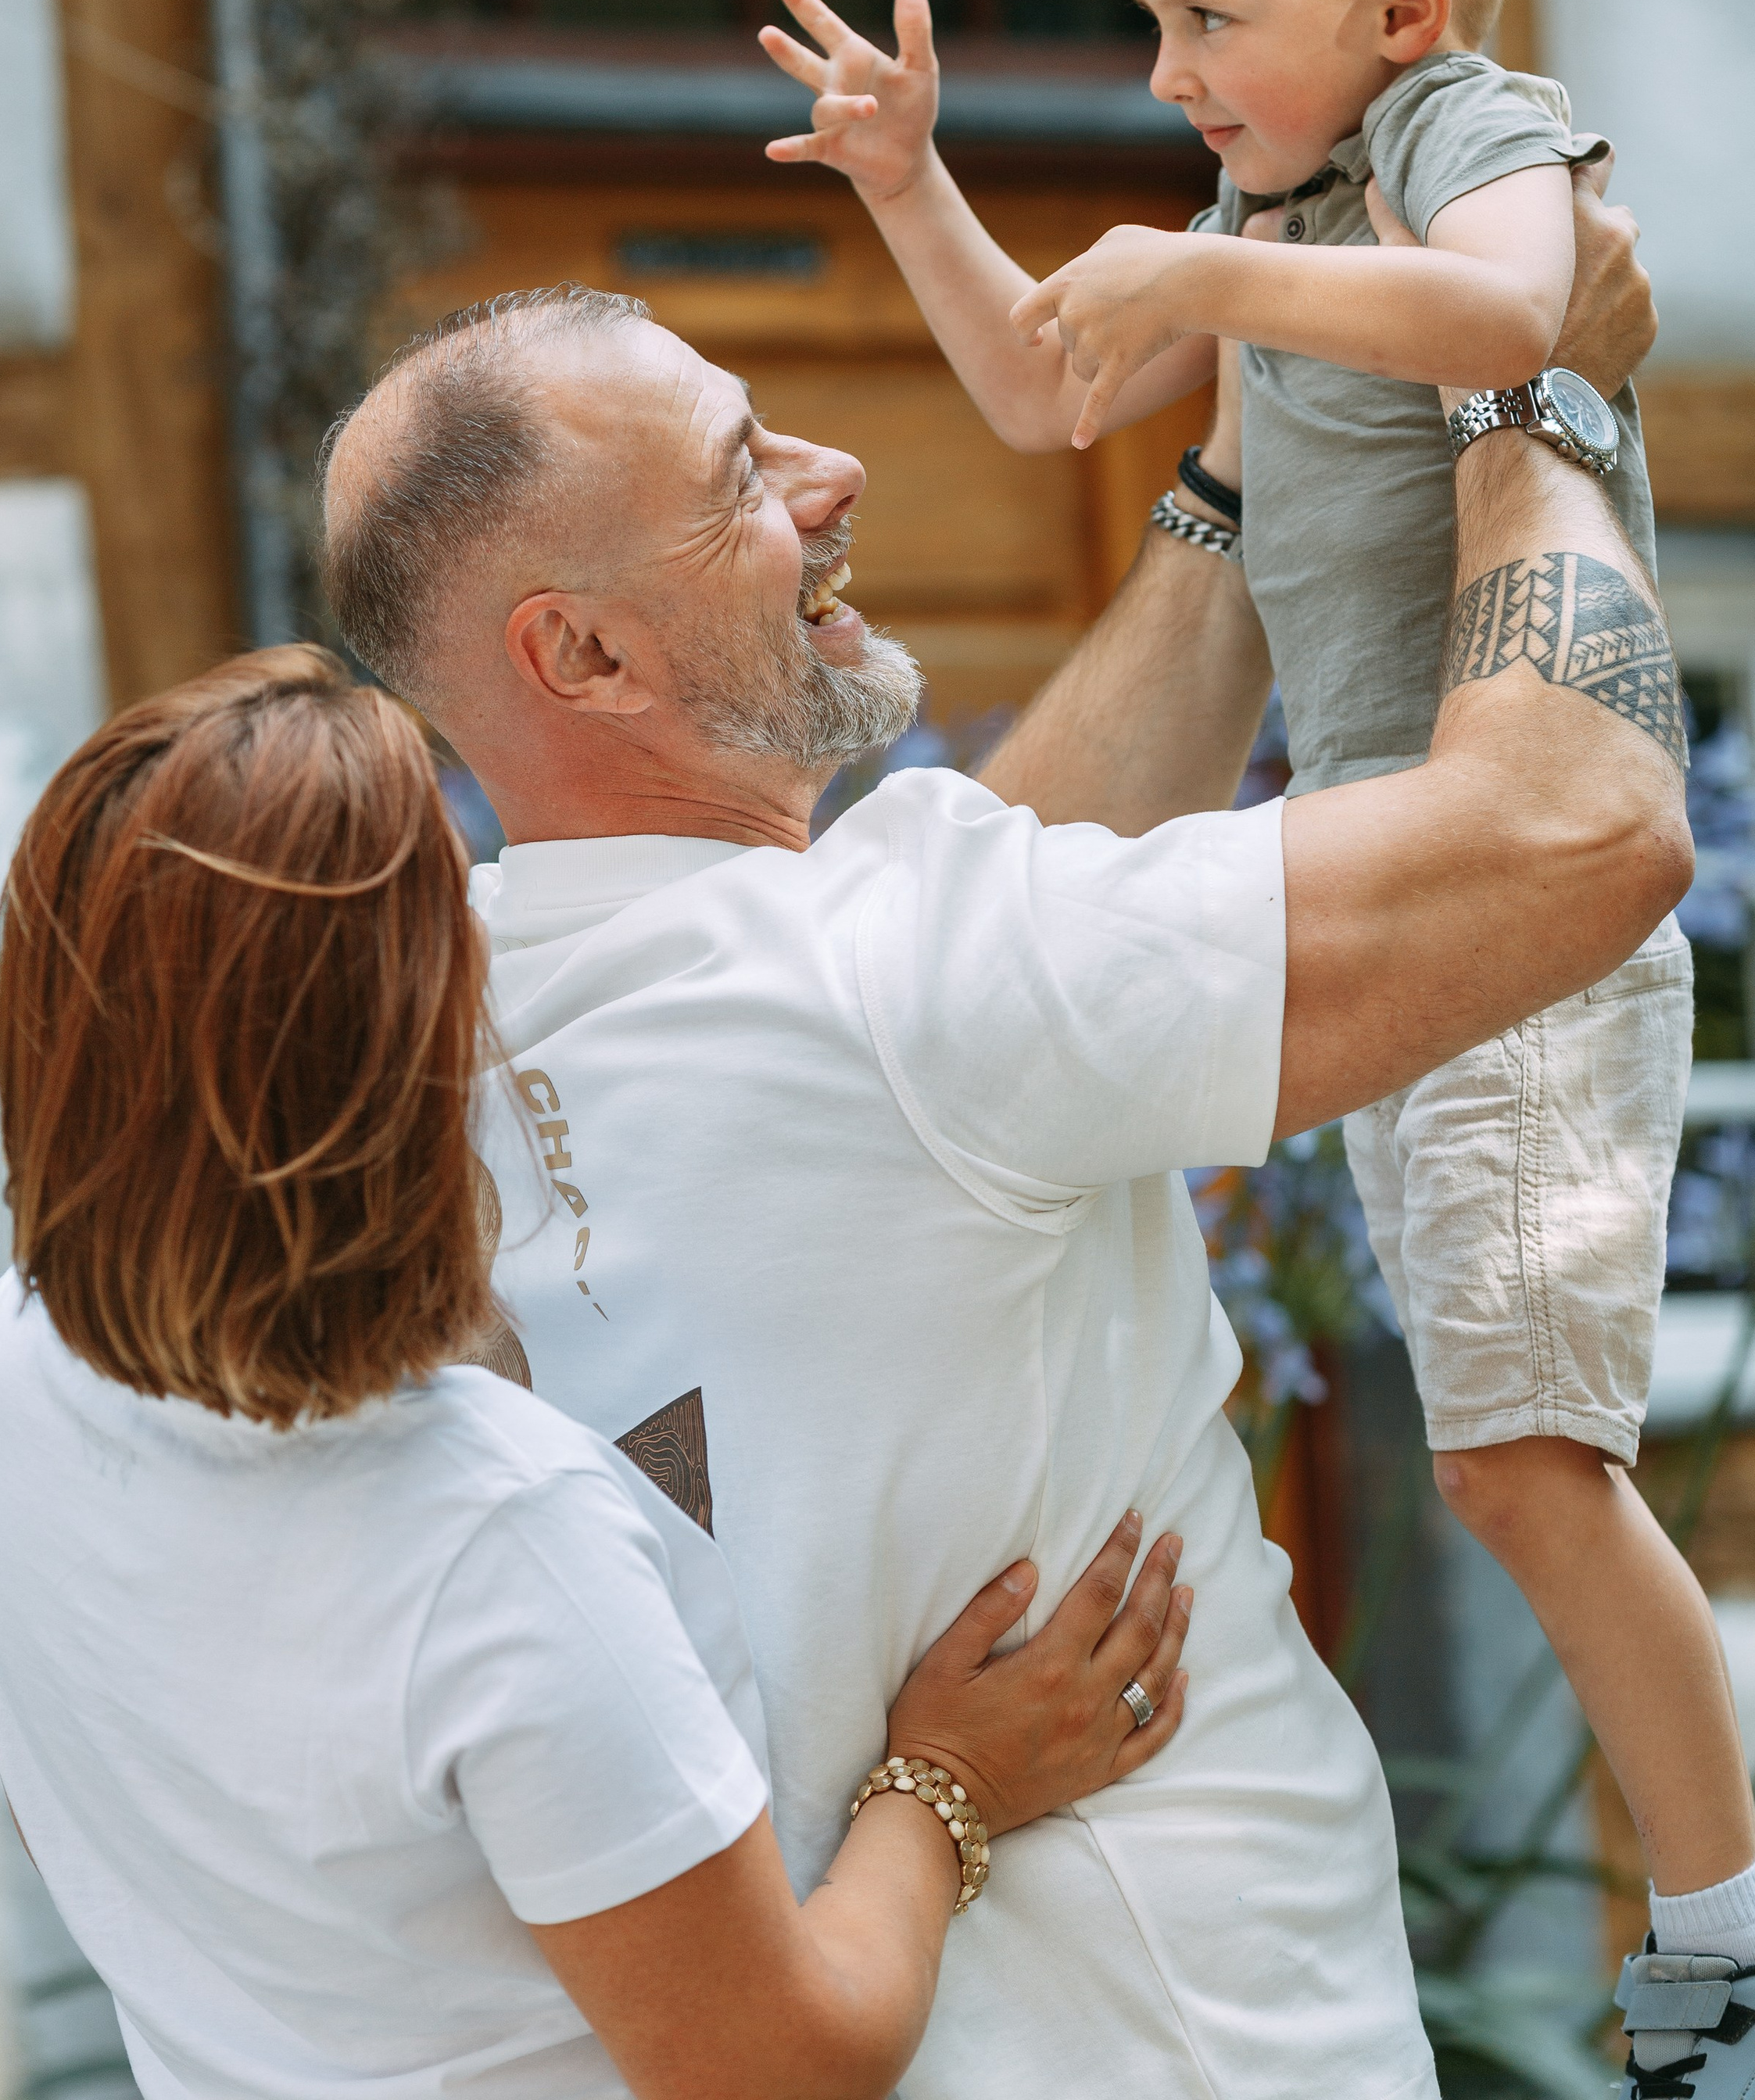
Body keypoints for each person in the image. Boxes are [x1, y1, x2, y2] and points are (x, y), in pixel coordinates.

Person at [319, 152, 1688, 2099]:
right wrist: (1524, 388)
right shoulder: (905, 985)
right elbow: (1585, 833)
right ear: (588, 658)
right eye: (737, 478)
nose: (828, 473)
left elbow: (989, 954)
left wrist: (1238, 484)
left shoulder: (442, 1007)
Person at [754, 0, 1747, 2078]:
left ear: (1395, 10)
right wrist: (912, 187)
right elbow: (1034, 397)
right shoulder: (1254, 221)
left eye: (1212, 15)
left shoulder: (1450, 131)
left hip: (1508, 864)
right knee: (1497, 1451)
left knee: (1525, 1465)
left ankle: (1724, 1939)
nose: (1175, 68)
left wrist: (1203, 287)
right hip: (1381, 869)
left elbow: (1521, 316)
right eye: (1155, 19)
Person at [0, 646, 1195, 2100]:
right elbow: (781, 2064)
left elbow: (90, 1813)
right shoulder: (491, 1527)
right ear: (413, 1039)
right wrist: (950, 1783)